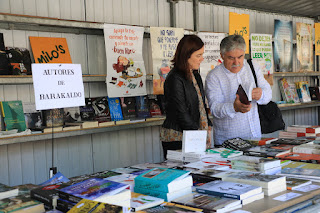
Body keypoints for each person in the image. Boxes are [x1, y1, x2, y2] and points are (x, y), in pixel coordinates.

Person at [205, 35, 272, 146]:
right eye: (231, 58)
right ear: (222, 56)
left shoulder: (252, 66)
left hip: (255, 137)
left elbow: (268, 94)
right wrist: (234, 107)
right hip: (228, 143)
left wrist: (261, 94)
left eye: (240, 57)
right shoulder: (214, 76)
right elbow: (214, 109)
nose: (236, 62)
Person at [160, 35, 212, 159]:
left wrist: (208, 126)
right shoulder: (174, 78)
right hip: (178, 137)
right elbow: (181, 112)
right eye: (198, 56)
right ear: (186, 55)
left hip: (195, 135)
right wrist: (199, 136)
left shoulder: (195, 75)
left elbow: (201, 104)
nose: (202, 59)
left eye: (202, 55)